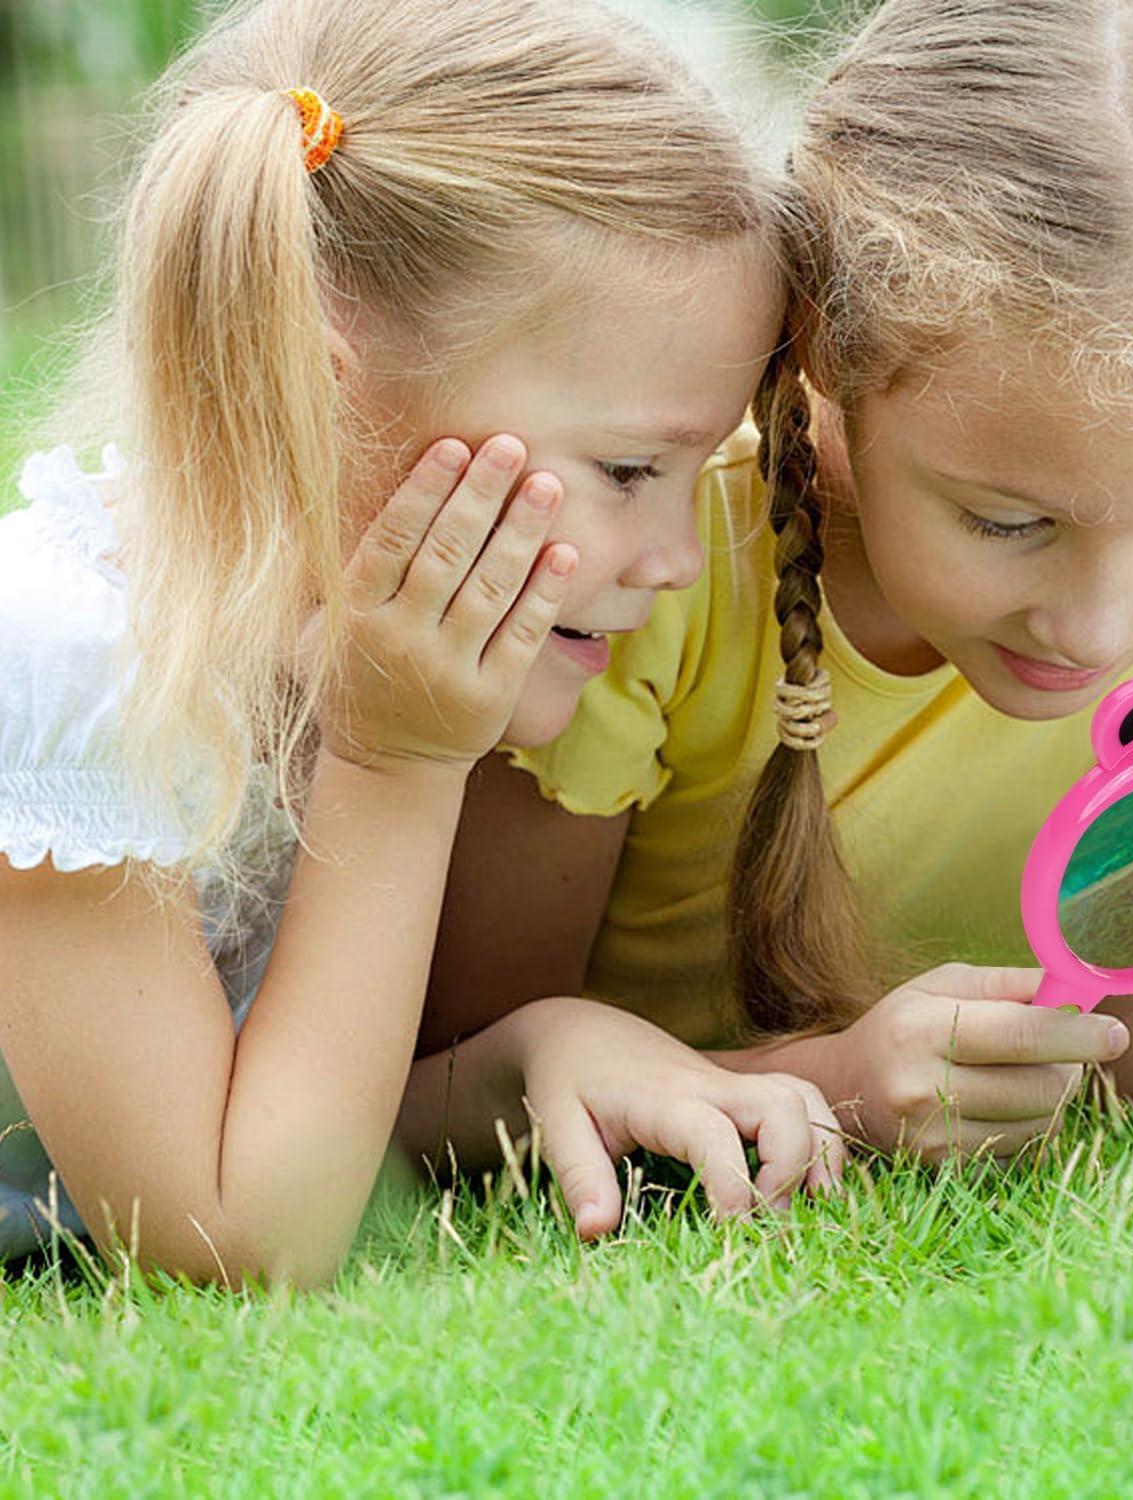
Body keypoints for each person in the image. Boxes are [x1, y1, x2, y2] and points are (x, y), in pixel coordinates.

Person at [417, 0, 1133, 1164]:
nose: (1094, 630)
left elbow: (1117, 1021)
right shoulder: (654, 564)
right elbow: (454, 1069)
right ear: (827, 344)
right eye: (1006, 521)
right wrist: (832, 1083)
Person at [0, 0, 845, 1287]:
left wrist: (535, 1053)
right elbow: (236, 1240)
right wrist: (394, 764)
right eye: (627, 470)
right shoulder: (67, 658)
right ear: (315, 390)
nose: (677, 560)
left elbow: (295, 1114)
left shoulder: (354, 640)